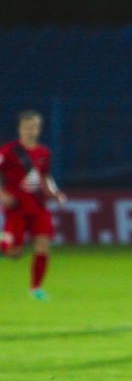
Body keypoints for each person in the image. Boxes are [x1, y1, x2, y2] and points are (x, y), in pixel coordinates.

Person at [0, 110, 67, 300]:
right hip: (17, 208)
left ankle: (36, 289)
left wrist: (54, 193)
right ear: (19, 129)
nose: (31, 131)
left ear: (39, 129)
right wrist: (2, 194)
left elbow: (45, 177)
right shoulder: (7, 152)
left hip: (39, 206)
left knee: (43, 244)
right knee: (15, 253)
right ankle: (4, 243)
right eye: (27, 127)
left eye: (34, 127)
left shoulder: (44, 153)